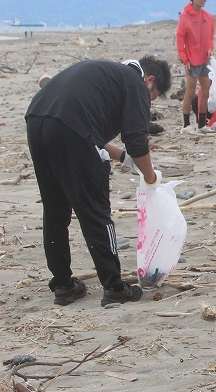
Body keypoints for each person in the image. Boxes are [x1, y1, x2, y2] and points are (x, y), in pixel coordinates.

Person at [25, 56, 172, 306]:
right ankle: (114, 287)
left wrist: (125, 160)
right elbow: (137, 140)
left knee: (55, 208)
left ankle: (63, 284)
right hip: (68, 125)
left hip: (37, 119)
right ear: (150, 81)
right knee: (95, 210)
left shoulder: (105, 75)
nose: (148, 101)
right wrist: (150, 178)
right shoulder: (135, 85)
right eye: (153, 96)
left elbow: (84, 131)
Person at [176, 0, 215, 130]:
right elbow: (180, 39)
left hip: (205, 58)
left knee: (205, 90)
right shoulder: (185, 16)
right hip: (191, 59)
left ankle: (201, 124)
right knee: (190, 90)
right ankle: (186, 125)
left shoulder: (208, 17)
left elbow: (210, 37)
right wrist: (184, 59)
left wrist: (211, 48)